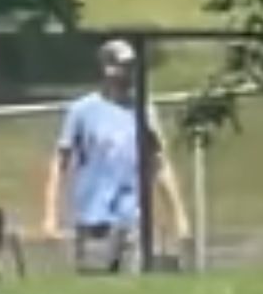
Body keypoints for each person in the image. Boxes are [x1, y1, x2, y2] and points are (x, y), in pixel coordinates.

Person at [41, 38, 192, 274]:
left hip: (134, 218)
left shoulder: (143, 109)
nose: (130, 73)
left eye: (132, 66)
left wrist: (179, 215)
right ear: (107, 68)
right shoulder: (82, 111)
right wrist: (50, 215)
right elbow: (60, 163)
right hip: (94, 219)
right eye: (124, 66)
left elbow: (159, 163)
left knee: (136, 287)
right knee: (96, 284)